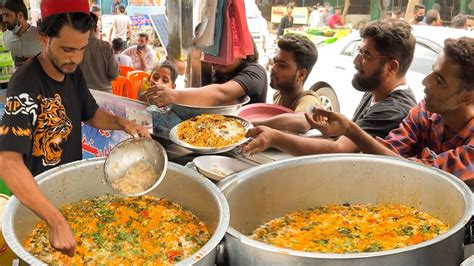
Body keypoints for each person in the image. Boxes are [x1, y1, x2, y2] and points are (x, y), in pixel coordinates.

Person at [0, 0, 150, 256]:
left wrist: (124, 124)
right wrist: (55, 220)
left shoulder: (72, 72)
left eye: (82, 49)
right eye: (67, 49)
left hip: (70, 195)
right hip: (39, 204)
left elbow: (91, 114)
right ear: (44, 38)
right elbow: (8, 162)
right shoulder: (24, 84)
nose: (76, 58)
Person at [306, 37, 473, 181]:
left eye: (439, 80)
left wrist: (351, 130)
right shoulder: (424, 113)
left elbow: (426, 176)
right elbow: (385, 157)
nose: (425, 82)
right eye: (432, 72)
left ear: (466, 97)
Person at [242, 19, 417, 156]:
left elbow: (339, 149)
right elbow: (346, 138)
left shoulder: (393, 110)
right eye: (359, 51)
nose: (356, 61)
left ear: (391, 68)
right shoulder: (375, 91)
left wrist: (274, 137)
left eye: (366, 54)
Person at [145, 41, 267, 107]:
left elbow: (221, 94)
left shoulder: (256, 72)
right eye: (212, 53)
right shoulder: (219, 72)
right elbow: (200, 93)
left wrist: (174, 95)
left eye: (223, 52)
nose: (216, 58)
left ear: (243, 51)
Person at [252, 33, 322, 134]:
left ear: (301, 74)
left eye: (282, 65)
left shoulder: (310, 100)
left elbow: (301, 123)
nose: (274, 68)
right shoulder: (278, 95)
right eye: (274, 62)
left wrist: (248, 125)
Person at [79, 12, 119, 92]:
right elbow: (114, 75)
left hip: (82, 93)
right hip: (104, 94)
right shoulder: (106, 46)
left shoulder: (77, 46)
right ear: (96, 29)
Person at [2, 0, 42, 67]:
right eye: (3, 16)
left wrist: (36, 61)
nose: (4, 20)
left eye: (7, 15)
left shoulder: (40, 36)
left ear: (20, 16)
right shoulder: (4, 38)